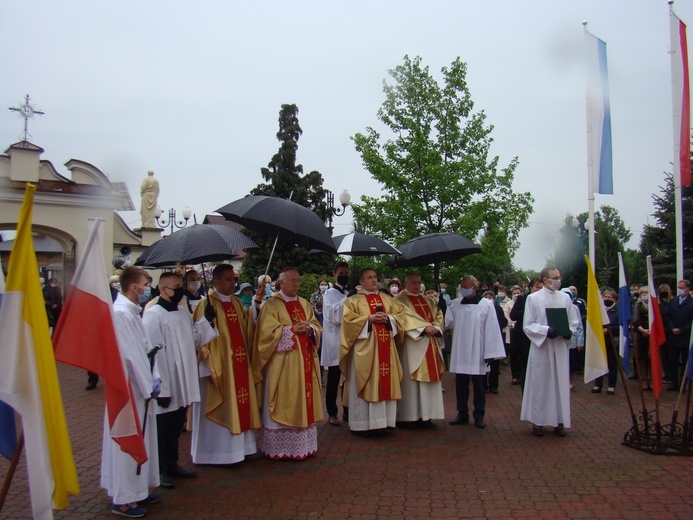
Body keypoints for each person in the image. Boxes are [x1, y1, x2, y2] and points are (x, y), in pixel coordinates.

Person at [142, 272, 217, 489]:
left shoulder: (182, 313)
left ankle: (172, 463)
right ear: (163, 289)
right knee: (162, 428)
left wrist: (206, 321)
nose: (180, 290)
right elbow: (152, 352)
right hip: (165, 380)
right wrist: (161, 387)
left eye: (180, 286)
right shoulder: (153, 315)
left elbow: (194, 340)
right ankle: (160, 469)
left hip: (182, 377)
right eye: (176, 287)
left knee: (175, 425)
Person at [101, 266, 161, 517]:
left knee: (143, 437)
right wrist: (148, 385)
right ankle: (123, 497)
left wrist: (155, 377)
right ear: (132, 286)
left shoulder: (133, 313)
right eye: (145, 284)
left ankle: (138, 490)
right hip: (129, 388)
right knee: (128, 437)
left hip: (141, 386)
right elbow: (130, 356)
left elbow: (147, 349)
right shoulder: (120, 314)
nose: (148, 289)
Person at [340, 268, 429, 435]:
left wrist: (389, 319)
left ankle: (384, 423)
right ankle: (363, 425)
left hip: (386, 349)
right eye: (369, 278)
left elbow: (401, 316)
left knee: (385, 382)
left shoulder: (388, 299)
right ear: (361, 282)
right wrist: (368, 320)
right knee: (366, 383)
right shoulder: (352, 301)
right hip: (365, 351)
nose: (373, 280)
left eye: (375, 277)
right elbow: (347, 324)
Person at [191, 264, 263, 465]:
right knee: (222, 403)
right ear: (216, 281)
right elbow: (198, 339)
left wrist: (256, 303)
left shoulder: (237, 303)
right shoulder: (205, 305)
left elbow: (247, 325)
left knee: (240, 402)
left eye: (234, 279)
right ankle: (216, 453)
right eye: (229, 279)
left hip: (238, 364)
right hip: (218, 367)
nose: (233, 283)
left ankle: (241, 449)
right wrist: (206, 322)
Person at [252, 267, 323, 459]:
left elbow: (317, 326)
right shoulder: (272, 305)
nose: (297, 284)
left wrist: (310, 329)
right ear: (281, 283)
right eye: (292, 281)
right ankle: (279, 448)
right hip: (282, 366)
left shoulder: (304, 303)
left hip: (305, 363)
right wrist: (290, 330)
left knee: (302, 399)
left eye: (298, 281)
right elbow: (265, 334)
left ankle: (303, 446)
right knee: (285, 398)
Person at [521, 266, 579, 437]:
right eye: (555, 277)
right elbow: (528, 324)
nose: (558, 280)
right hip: (543, 347)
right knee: (541, 384)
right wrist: (546, 331)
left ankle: (559, 422)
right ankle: (538, 422)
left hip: (560, 346)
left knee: (560, 383)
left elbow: (573, 321)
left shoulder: (565, 298)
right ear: (545, 280)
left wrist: (569, 331)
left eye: (559, 277)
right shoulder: (533, 298)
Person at [446, 276, 505, 429]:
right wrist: (441, 304)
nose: (463, 289)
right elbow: (447, 323)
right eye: (462, 286)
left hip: (478, 350)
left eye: (466, 286)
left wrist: (491, 352)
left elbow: (492, 328)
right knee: (461, 384)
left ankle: (479, 415)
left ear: (474, 287)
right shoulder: (455, 304)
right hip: (461, 350)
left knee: (479, 385)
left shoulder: (486, 304)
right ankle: (462, 413)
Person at [395, 273, 445, 426]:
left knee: (429, 383)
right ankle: (410, 417)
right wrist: (424, 328)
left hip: (431, 343)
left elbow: (438, 315)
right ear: (406, 283)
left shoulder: (429, 300)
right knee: (412, 384)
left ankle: (427, 415)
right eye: (413, 283)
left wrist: (436, 328)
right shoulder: (400, 300)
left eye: (418, 282)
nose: (416, 286)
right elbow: (404, 318)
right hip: (412, 345)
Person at [322, 261, 350, 426]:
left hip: (348, 339)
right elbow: (335, 315)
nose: (344, 276)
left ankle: (347, 410)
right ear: (334, 274)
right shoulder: (330, 293)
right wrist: (348, 298)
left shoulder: (347, 291)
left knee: (348, 378)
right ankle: (332, 412)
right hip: (334, 340)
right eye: (341, 273)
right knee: (333, 378)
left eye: (346, 274)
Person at [510, 277, 543, 391]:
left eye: (541, 288)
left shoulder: (544, 300)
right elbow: (513, 315)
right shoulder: (522, 299)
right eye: (537, 287)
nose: (539, 290)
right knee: (526, 367)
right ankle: (526, 394)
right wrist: (528, 312)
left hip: (540, 338)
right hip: (524, 339)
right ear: (530, 287)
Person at [664, 279, 693, 391]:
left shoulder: (691, 302)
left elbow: (691, 322)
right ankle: (674, 382)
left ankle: (683, 383)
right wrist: (672, 328)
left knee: (685, 361)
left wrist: (682, 330)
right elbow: (667, 316)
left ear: (687, 289)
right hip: (673, 336)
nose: (680, 290)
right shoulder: (673, 301)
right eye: (679, 287)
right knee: (672, 360)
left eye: (682, 288)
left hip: (685, 336)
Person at [592, 290, 619, 395]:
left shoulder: (618, 310)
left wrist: (609, 329)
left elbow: (621, 326)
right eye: (605, 296)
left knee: (612, 364)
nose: (607, 298)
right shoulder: (599, 310)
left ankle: (611, 386)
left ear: (615, 299)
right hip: (599, 341)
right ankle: (598, 385)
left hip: (612, 341)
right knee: (599, 364)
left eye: (610, 297)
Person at [482, 290, 508, 394]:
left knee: (494, 364)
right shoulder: (481, 309)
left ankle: (493, 386)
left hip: (496, 337)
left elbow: (504, 321)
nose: (488, 299)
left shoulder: (498, 308)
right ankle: (483, 386)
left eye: (490, 297)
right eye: (486, 297)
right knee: (484, 364)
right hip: (484, 338)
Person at [632, 286, 651, 389]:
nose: (644, 294)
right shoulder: (637, 305)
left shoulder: (654, 304)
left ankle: (652, 379)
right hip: (640, 334)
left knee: (651, 358)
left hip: (652, 334)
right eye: (642, 293)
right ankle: (643, 380)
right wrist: (642, 330)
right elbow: (635, 320)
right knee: (642, 357)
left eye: (646, 292)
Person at [503, 286, 523, 385]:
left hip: (521, 331)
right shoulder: (508, 304)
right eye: (514, 293)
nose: (516, 295)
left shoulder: (524, 304)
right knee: (513, 355)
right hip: (511, 330)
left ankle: (521, 375)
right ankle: (514, 376)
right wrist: (511, 323)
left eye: (518, 293)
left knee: (521, 355)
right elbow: (506, 315)